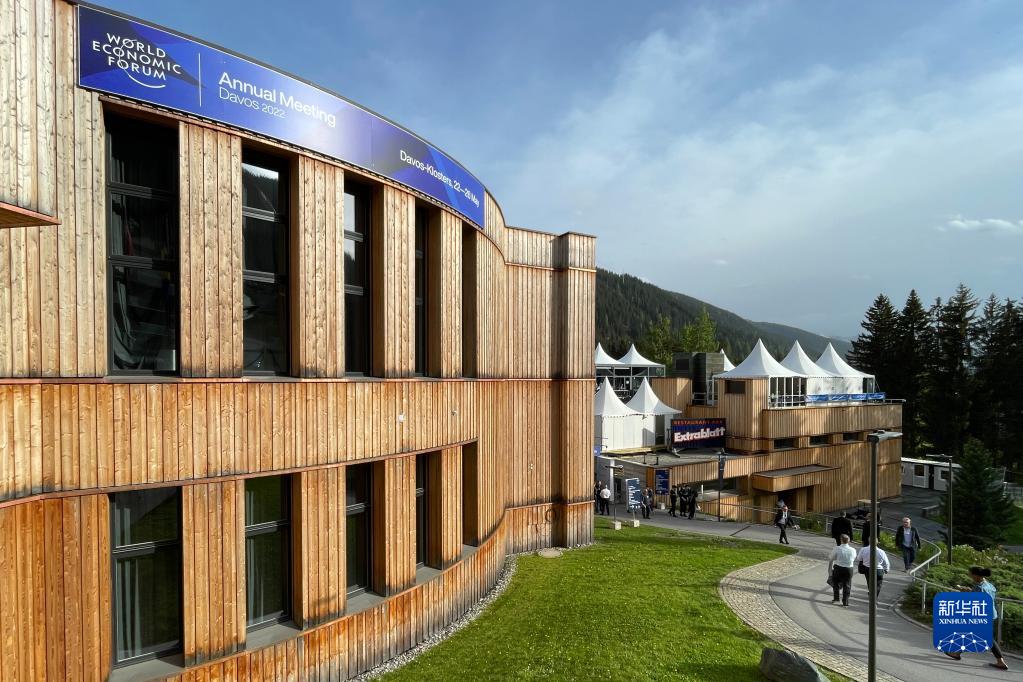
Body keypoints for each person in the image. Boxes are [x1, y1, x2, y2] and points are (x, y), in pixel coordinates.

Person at [942, 567, 1009, 671]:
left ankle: (1000, 661)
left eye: (971, 575)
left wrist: (964, 591)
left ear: (976, 575)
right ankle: (956, 652)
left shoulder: (979, 587)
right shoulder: (989, 585)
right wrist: (969, 590)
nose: (970, 577)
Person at [828, 534, 857, 606]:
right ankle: (845, 602)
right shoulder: (853, 550)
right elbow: (853, 558)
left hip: (838, 568)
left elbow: (831, 557)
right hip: (849, 569)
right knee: (847, 585)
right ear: (848, 540)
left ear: (841, 540)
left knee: (836, 583)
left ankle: (836, 599)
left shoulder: (837, 548)